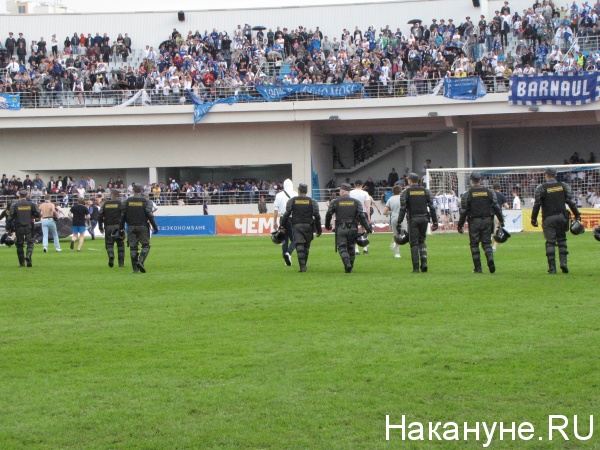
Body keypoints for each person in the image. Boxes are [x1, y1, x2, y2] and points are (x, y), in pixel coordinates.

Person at [531, 167, 581, 274]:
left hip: (548, 218)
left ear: (547, 175)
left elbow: (537, 205)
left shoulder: (541, 188)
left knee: (550, 242)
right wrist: (577, 214)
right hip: (562, 217)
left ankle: (552, 268)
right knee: (562, 240)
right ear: (555, 175)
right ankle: (563, 264)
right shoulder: (563, 186)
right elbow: (570, 202)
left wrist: (533, 219)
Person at [457, 172, 504, 274]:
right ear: (480, 181)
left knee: (474, 244)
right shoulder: (489, 192)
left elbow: (464, 211)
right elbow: (496, 208)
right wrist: (501, 220)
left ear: (471, 181)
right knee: (486, 243)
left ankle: (478, 268)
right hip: (487, 220)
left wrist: (460, 225)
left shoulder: (467, 194)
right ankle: (490, 258)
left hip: (474, 221)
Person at [325, 183, 372, 273]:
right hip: (353, 228)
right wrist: (368, 227)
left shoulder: (335, 202)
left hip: (341, 228)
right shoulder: (356, 202)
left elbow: (329, 214)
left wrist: (327, 226)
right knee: (351, 247)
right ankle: (350, 265)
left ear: (342, 191)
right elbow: (361, 216)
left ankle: (347, 263)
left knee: (342, 247)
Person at [397, 173, 438, 273]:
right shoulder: (426, 191)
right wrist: (435, 221)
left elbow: (403, 209)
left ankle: (416, 268)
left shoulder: (406, 192)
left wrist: (399, 222)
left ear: (410, 181)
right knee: (422, 241)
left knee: (414, 243)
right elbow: (432, 207)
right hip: (424, 219)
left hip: (413, 219)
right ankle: (424, 263)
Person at [279, 183, 322, 272]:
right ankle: (304, 264)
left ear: (298, 190)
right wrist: (319, 229)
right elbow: (317, 216)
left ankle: (302, 266)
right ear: (306, 191)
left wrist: (282, 225)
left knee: (299, 245)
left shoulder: (292, 200)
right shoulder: (312, 201)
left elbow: (286, 214)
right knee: (306, 246)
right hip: (308, 226)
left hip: (296, 226)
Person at [120, 184, 159, 273]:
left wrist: (120, 228)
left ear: (133, 191)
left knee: (133, 247)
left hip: (131, 227)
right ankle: (140, 261)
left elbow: (122, 216)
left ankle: (135, 268)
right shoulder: (146, 202)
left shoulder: (127, 201)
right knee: (145, 245)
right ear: (141, 191)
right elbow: (150, 216)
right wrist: (155, 227)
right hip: (143, 227)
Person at [8, 190, 41, 267]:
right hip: (28, 226)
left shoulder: (15, 205)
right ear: (27, 195)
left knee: (19, 244)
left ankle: (22, 262)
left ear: (19, 195)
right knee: (30, 243)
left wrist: (9, 228)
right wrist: (32, 216)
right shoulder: (32, 204)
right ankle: (28, 255)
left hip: (18, 226)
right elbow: (38, 214)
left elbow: (10, 217)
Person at [273, 178, 297, 267]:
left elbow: (275, 209)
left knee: (284, 239)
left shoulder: (279, 195)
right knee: (295, 239)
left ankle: (285, 258)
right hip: (292, 218)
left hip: (282, 218)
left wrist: (275, 222)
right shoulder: (295, 194)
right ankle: (289, 253)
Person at [98, 190, 124, 268]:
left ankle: (111, 255)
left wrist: (100, 227)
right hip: (118, 226)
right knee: (120, 244)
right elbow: (124, 214)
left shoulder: (105, 204)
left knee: (109, 244)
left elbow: (99, 216)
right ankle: (121, 263)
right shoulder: (120, 204)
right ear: (118, 196)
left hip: (108, 226)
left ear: (111, 195)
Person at [349, 180, 371, 254]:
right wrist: (369, 217)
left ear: (355, 185)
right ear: (362, 185)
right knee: (363, 230)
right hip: (363, 212)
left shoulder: (351, 193)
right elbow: (367, 206)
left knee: (354, 231)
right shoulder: (365, 193)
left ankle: (356, 250)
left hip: (353, 213)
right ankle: (365, 248)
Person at [382, 184, 402, 258]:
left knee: (396, 235)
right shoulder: (403, 198)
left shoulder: (390, 199)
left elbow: (384, 212)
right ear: (401, 191)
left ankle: (397, 253)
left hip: (394, 218)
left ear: (393, 192)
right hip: (403, 218)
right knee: (406, 234)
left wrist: (391, 212)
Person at [491, 183, 509, 252]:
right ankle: (494, 247)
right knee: (499, 231)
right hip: (497, 216)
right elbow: (506, 206)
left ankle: (488, 243)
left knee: (490, 230)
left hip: (490, 215)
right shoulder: (501, 196)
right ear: (499, 188)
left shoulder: (490, 195)